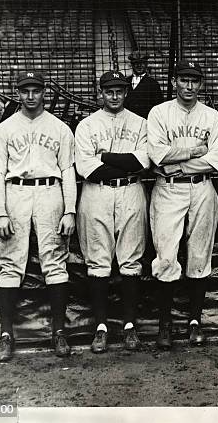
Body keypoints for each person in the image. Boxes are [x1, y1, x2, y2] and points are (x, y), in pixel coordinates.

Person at [0, 71, 77, 361]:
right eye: (25, 91)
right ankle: (6, 335)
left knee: (55, 259)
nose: (31, 96)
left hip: (50, 192)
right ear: (18, 93)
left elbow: (68, 171)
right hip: (17, 193)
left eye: (36, 90)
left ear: (44, 92)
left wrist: (70, 209)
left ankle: (59, 332)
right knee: (10, 262)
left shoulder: (60, 128)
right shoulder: (5, 128)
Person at [147, 60, 218, 350]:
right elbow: (157, 154)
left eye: (195, 81)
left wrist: (180, 165)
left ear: (201, 84)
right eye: (184, 80)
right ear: (173, 82)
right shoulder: (159, 113)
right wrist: (195, 151)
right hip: (168, 192)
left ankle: (195, 322)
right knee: (166, 255)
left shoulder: (211, 116)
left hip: (201, 187)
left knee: (200, 255)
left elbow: (217, 159)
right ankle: (165, 324)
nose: (189, 86)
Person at [75, 71, 150, 353]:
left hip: (131, 190)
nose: (114, 96)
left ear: (126, 92)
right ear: (100, 93)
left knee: (131, 258)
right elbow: (86, 167)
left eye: (119, 90)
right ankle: (101, 328)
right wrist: (122, 163)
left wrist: (104, 156)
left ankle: (130, 326)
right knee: (98, 260)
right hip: (97, 193)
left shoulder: (141, 123)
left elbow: (141, 162)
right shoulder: (86, 125)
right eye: (109, 91)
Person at [123, 50, 164, 119]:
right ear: (132, 64)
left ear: (146, 64)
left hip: (146, 121)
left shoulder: (153, 84)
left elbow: (158, 107)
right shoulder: (125, 81)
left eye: (142, 63)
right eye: (136, 63)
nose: (139, 66)